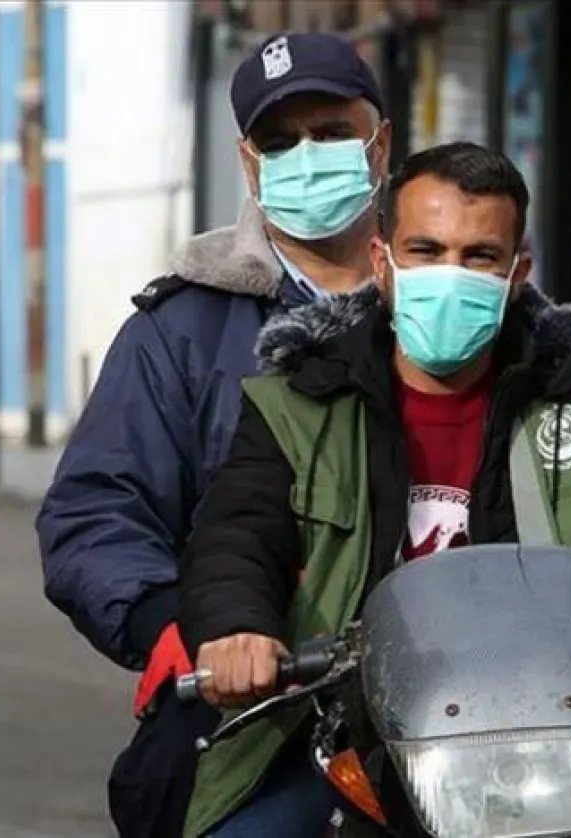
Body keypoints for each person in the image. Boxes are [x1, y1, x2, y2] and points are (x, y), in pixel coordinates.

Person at [177, 142, 571, 838]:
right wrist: (237, 632)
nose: (449, 276)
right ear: (381, 263)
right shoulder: (297, 409)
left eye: (479, 256)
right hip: (353, 735)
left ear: (518, 274)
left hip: (564, 732)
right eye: (425, 249)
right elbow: (238, 532)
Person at [34, 32, 392, 838]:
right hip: (268, 707)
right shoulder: (183, 333)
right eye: (280, 141)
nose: (309, 154)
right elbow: (96, 512)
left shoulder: (465, 307)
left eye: (333, 132)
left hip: (467, 708)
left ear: (382, 141)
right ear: (248, 161)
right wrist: (179, 625)